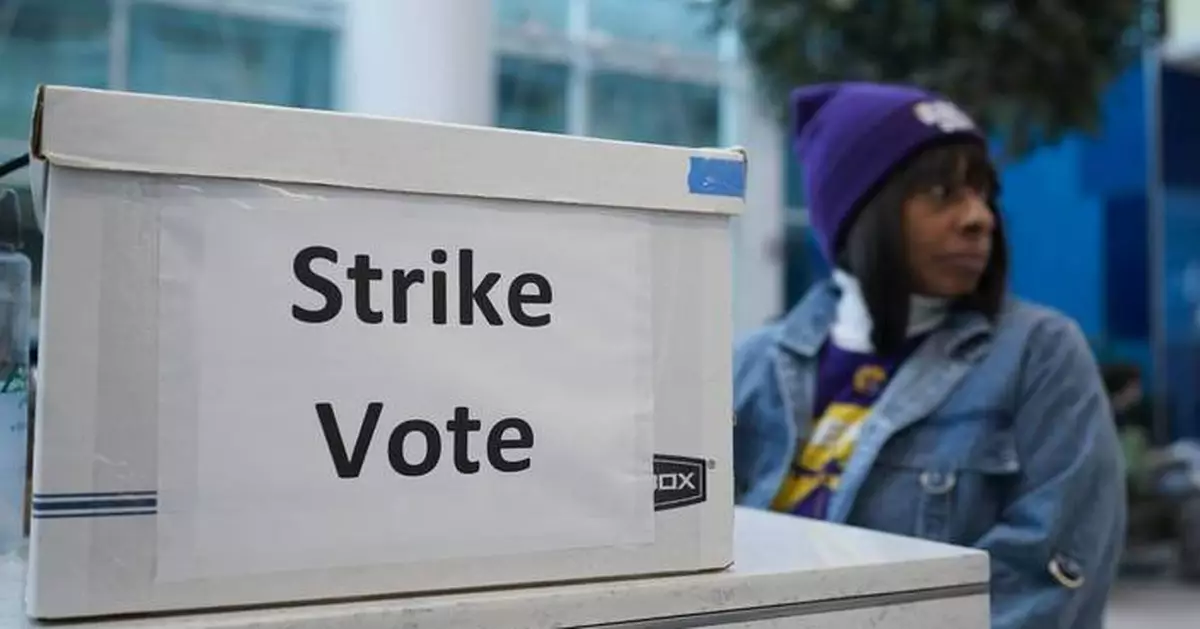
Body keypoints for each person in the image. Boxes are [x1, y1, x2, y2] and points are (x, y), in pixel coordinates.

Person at [732, 82, 1126, 629]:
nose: (979, 218)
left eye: (983, 193)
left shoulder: (1038, 354)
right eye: (943, 193)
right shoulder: (752, 366)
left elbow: (1049, 581)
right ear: (864, 214)